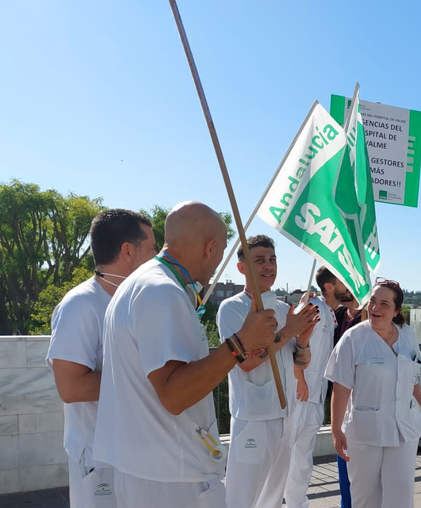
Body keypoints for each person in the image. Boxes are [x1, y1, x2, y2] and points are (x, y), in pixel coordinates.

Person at [93, 202, 279, 507]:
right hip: (173, 480)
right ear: (211, 248)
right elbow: (174, 394)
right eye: (221, 255)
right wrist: (240, 343)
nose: (217, 263)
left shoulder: (140, 284)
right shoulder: (161, 292)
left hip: (150, 471)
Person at [46, 209, 157, 508]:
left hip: (136, 455)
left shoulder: (134, 304)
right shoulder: (80, 305)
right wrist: (150, 378)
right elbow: (70, 388)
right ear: (128, 251)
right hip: (99, 460)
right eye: (152, 250)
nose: (158, 260)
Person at [216, 235, 320, 508]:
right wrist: (288, 331)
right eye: (259, 260)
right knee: (242, 499)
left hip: (286, 416)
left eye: (272, 260)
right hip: (253, 417)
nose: (268, 266)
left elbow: (301, 362)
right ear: (242, 268)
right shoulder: (232, 308)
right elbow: (246, 362)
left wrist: (303, 339)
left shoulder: (286, 310)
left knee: (274, 498)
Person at [325, 278, 421, 508]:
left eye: (384, 304)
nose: (375, 308)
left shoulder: (408, 335)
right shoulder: (354, 338)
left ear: (396, 310)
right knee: (366, 497)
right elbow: (341, 387)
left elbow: (417, 379)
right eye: (373, 302)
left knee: (401, 494)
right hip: (365, 431)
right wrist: (336, 429)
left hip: (403, 430)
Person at [283, 268, 341, 508]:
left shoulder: (328, 312)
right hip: (299, 395)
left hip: (315, 397)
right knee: (285, 458)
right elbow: (290, 343)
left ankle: (298, 505)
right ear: (329, 286)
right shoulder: (312, 307)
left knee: (303, 462)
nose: (347, 286)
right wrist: (300, 377)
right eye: (342, 281)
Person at [318, 268, 358, 508]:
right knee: (345, 470)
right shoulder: (338, 315)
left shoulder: (369, 319)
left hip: (363, 404)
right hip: (340, 402)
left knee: (363, 475)